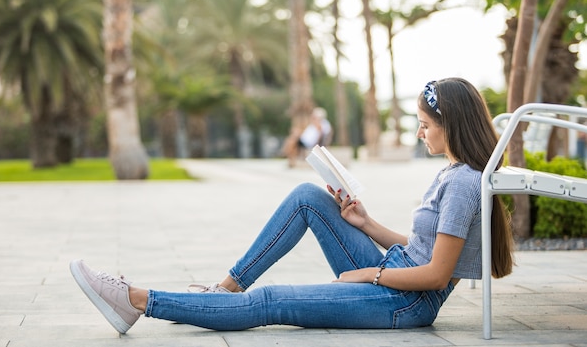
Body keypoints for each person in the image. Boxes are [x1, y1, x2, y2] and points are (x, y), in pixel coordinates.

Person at [70, 77, 514, 334]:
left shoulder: (462, 184)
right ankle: (225, 289)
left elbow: (436, 273)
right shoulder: (455, 174)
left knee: (274, 301)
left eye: (424, 126)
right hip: (399, 277)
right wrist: (368, 224)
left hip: (407, 302)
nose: (420, 134)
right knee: (308, 197)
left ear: (449, 125)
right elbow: (427, 247)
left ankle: (136, 300)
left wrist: (370, 273)